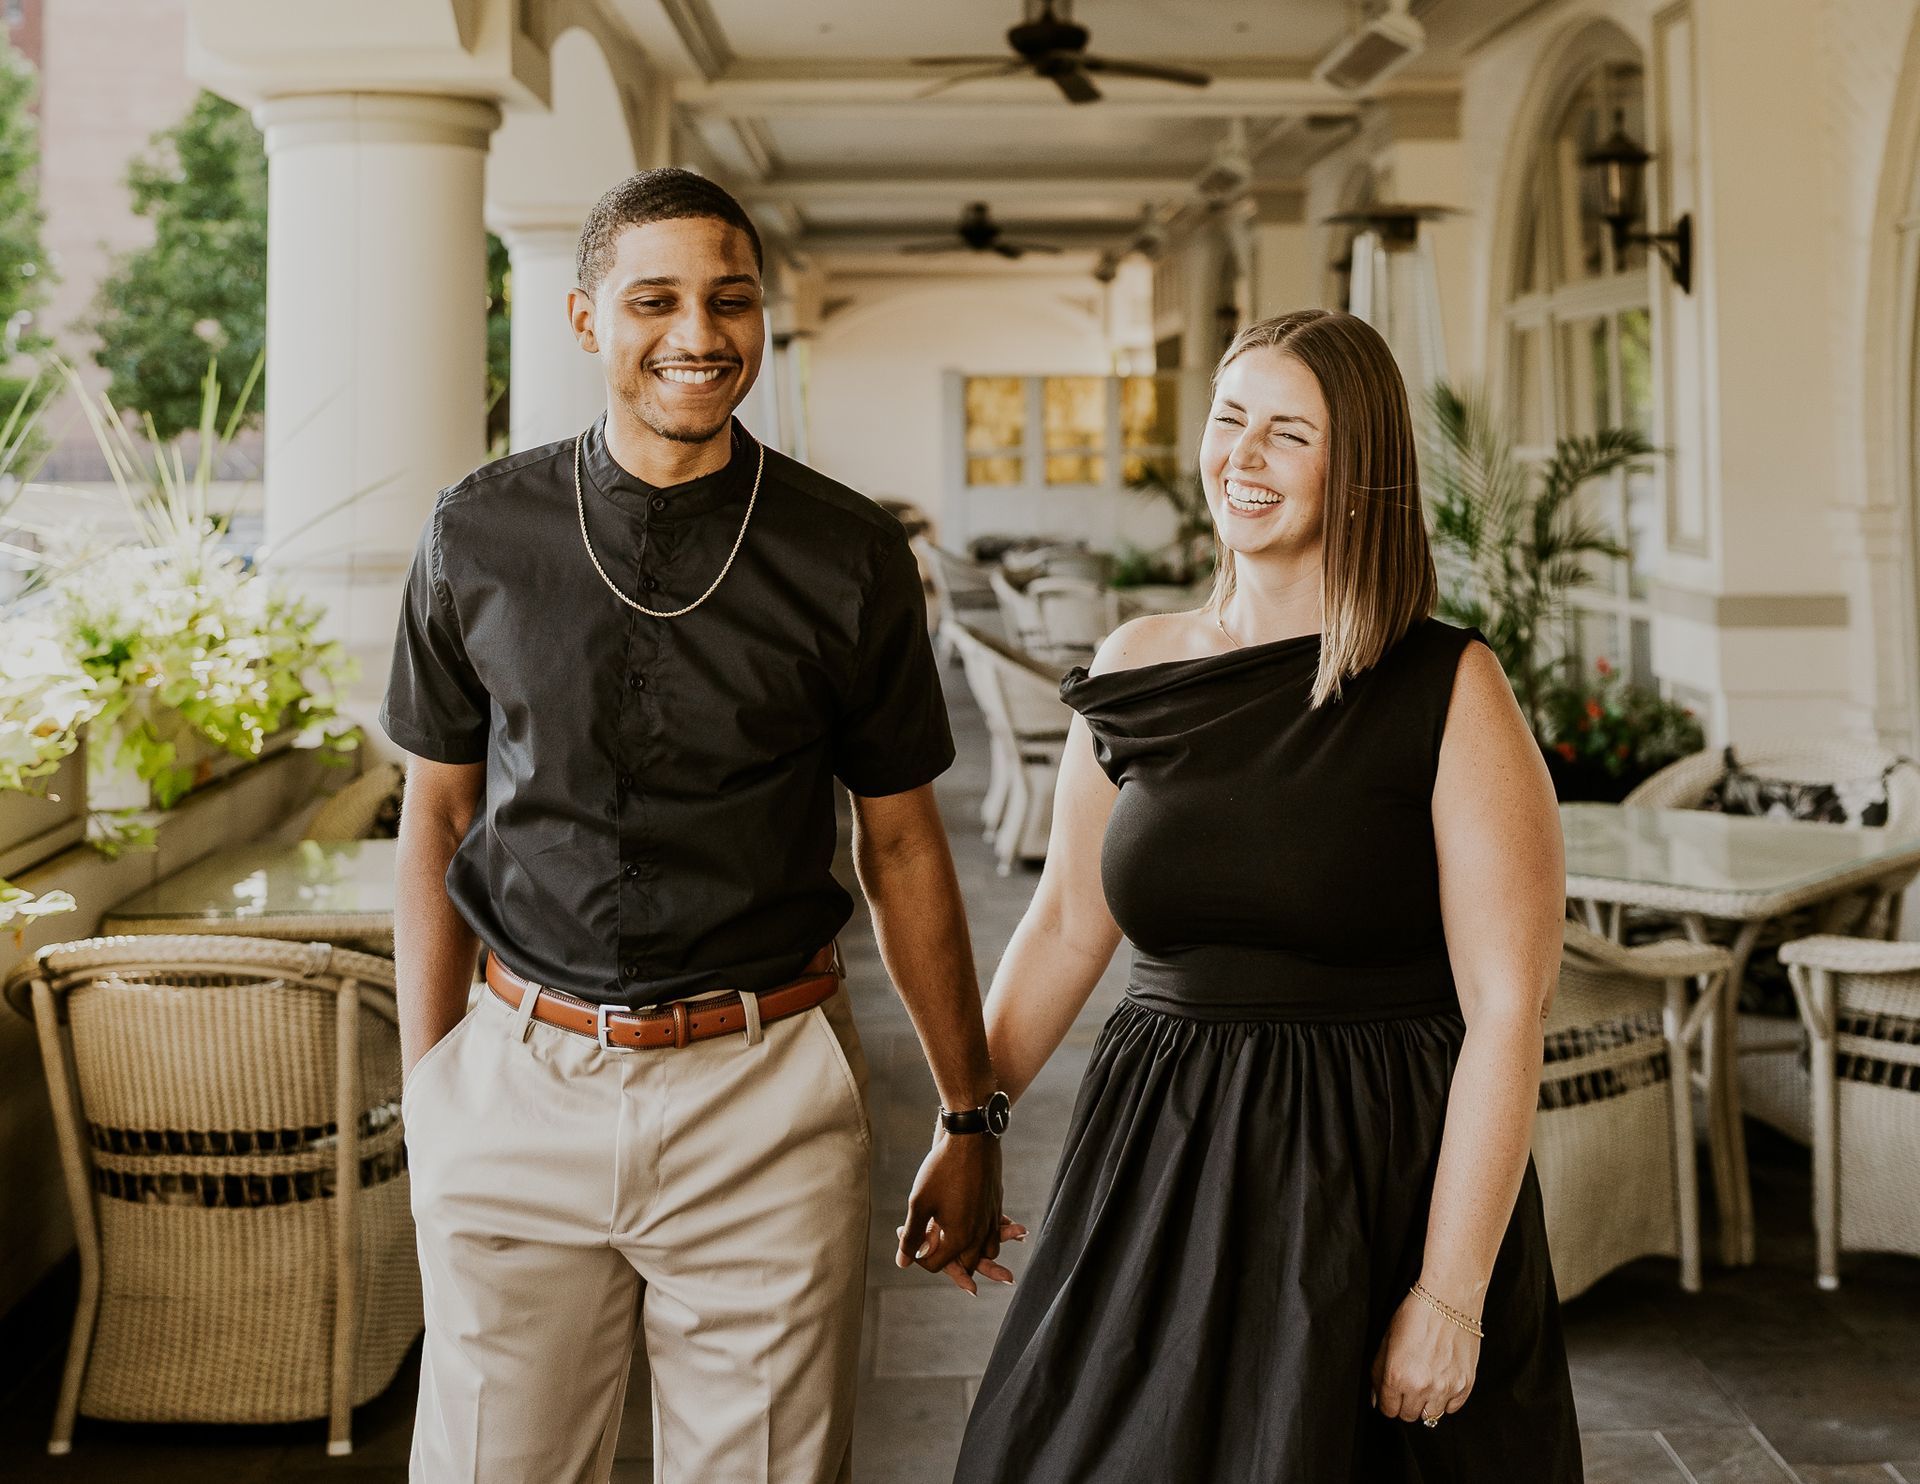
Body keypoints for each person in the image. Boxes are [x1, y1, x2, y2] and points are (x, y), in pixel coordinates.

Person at [381, 168, 1012, 1484]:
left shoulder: (849, 555)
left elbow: (903, 846)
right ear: (584, 318)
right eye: (654, 300)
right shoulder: (476, 532)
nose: (698, 333)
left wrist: (968, 1115)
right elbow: (438, 813)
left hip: (764, 1092)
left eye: (730, 301)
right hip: (519, 1077)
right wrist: (433, 1092)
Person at [949, 309, 1583, 1482]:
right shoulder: (1136, 662)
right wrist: (967, 1115)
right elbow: (1068, 924)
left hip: (1369, 1173)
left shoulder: (1450, 686)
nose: (1241, 455)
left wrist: (1451, 1291)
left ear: (1359, 472)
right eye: (1230, 418)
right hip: (1158, 1162)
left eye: (1289, 432)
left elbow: (1508, 1008)